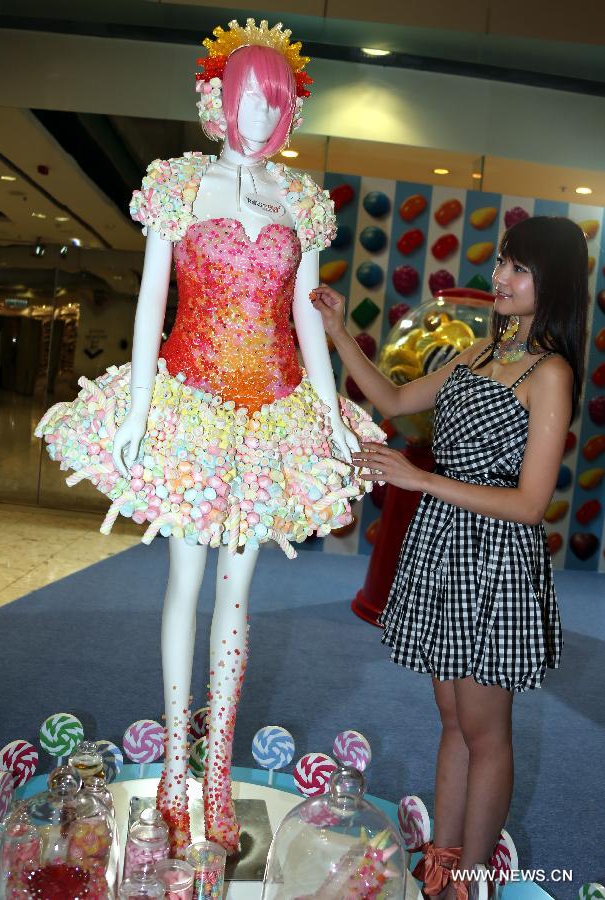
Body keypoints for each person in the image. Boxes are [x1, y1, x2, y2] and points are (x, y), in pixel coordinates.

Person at [35, 19, 384, 858]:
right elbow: (152, 302)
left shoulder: (301, 201)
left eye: (276, 106)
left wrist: (332, 412)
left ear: (291, 111)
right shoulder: (178, 186)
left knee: (238, 595)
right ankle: (173, 784)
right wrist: (136, 408)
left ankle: (218, 780)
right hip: (190, 404)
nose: (260, 122)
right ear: (218, 104)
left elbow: (304, 317)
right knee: (185, 585)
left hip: (271, 414)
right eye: (248, 103)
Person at [310, 215, 588, 899]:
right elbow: (396, 398)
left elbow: (528, 504)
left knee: (486, 730)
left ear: (550, 283)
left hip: (493, 556)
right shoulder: (481, 353)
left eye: (518, 269)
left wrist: (419, 479)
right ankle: (440, 865)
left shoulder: (548, 371)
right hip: (442, 546)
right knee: (453, 723)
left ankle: (467, 880)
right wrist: (339, 330)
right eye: (500, 262)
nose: (500, 277)